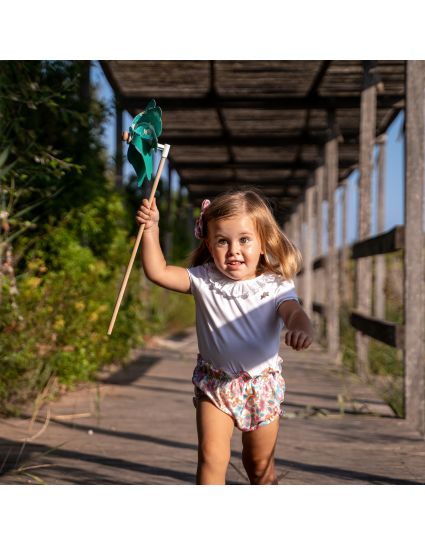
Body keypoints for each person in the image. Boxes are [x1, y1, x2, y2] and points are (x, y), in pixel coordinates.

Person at [136, 187, 313, 485]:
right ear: (208, 242)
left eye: (244, 239)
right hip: (215, 383)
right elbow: (159, 271)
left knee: (258, 464)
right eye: (222, 241)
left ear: (262, 242)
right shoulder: (203, 279)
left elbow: (294, 313)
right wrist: (151, 229)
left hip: (261, 387)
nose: (233, 250)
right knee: (211, 457)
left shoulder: (275, 285)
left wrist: (300, 328)